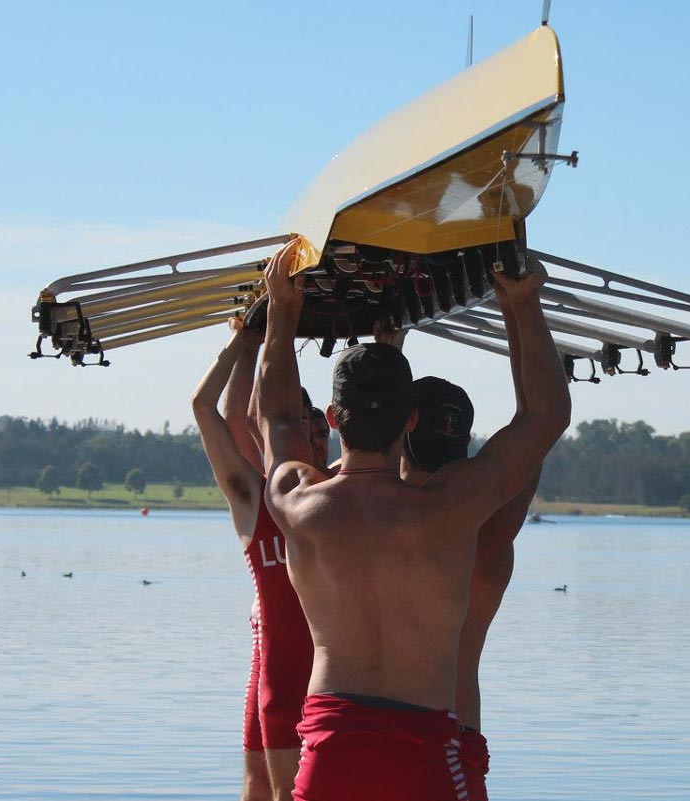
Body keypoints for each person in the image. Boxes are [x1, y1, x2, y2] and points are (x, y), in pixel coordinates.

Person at [254, 243, 569, 801]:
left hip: (329, 748)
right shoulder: (448, 509)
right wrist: (524, 304)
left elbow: (275, 417)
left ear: (331, 418)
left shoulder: (300, 503)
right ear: (412, 417)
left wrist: (282, 310)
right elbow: (544, 418)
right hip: (424, 749)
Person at [386, 337, 540, 801]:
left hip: (369, 737)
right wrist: (521, 315)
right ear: (467, 444)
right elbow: (534, 424)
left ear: (402, 428)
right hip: (457, 732)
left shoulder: (362, 517)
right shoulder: (494, 530)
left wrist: (387, 350)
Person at [191, 319, 327, 801]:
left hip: (336, 676)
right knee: (259, 785)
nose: (312, 444)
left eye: (320, 432)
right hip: (277, 670)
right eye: (300, 431)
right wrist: (244, 343)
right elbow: (215, 412)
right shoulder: (256, 498)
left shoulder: (347, 493)